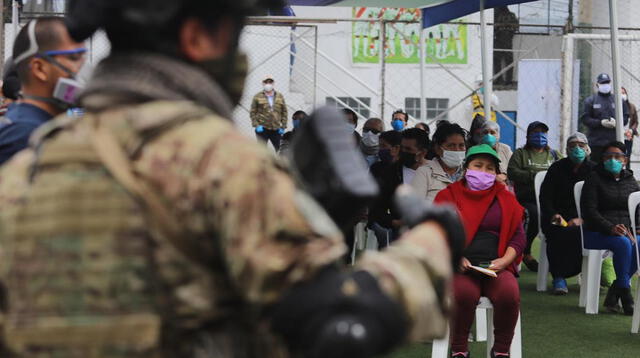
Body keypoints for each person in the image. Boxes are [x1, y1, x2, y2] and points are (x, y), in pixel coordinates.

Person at [0, 1, 459, 356]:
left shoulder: (29, 168)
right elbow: (342, 328)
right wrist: (430, 247)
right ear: (198, 37)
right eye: (233, 32)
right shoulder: (218, 162)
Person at [435, 144, 525, 358]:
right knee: (463, 294)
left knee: (509, 294)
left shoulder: (506, 198)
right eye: (478, 166)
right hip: (461, 267)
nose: (483, 172)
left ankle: (501, 351)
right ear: (466, 168)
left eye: (490, 168)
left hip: (496, 267)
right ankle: (459, 349)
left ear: (496, 173)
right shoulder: (448, 196)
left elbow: (518, 236)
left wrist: (505, 261)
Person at [0, 17, 86, 166]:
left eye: (82, 58)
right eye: (73, 58)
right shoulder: (25, 135)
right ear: (39, 68)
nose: (81, 67)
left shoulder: (38, 124)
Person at [581, 141, 639, 315]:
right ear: (602, 159)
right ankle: (626, 295)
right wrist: (611, 228)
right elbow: (589, 211)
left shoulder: (631, 180)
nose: (613, 160)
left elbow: (637, 208)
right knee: (623, 243)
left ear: (625, 160)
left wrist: (637, 228)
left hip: (625, 231)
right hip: (596, 232)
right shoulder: (594, 178)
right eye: (608, 156)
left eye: (617, 156)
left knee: (638, 242)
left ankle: (615, 292)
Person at [540, 133, 596, 294]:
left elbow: (599, 201)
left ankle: (581, 272)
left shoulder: (594, 170)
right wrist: (553, 215)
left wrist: (583, 219)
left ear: (587, 148)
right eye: (573, 146)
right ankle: (559, 277)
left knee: (580, 233)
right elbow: (545, 197)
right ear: (566, 149)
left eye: (581, 145)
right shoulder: (557, 168)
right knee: (556, 232)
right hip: (558, 216)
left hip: (585, 218)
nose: (577, 149)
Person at [507, 121, 561, 272]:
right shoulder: (520, 154)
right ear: (528, 136)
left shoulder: (554, 155)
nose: (539, 135)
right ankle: (525, 252)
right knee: (535, 215)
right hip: (527, 199)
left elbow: (564, 168)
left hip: (551, 199)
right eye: (535, 132)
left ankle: (557, 259)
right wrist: (534, 175)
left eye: (542, 132)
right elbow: (512, 172)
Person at [369, 128, 429, 244]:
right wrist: (395, 222)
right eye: (402, 148)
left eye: (408, 149)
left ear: (422, 152)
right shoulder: (390, 173)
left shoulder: (434, 171)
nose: (403, 152)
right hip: (402, 235)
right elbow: (377, 208)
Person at [411, 121, 466, 203]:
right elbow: (415, 209)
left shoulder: (468, 173)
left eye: (461, 145)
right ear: (437, 149)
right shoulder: (425, 172)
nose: (457, 150)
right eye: (451, 145)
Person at [581, 73, 629, 163]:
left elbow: (626, 117)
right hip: (596, 142)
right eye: (603, 83)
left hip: (614, 142)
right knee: (595, 167)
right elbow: (585, 119)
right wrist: (600, 123)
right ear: (597, 84)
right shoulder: (590, 100)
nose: (605, 85)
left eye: (607, 82)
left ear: (610, 83)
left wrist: (617, 123)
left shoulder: (618, 100)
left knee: (613, 166)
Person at [250, 74, 288, 151]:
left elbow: (284, 111)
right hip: (262, 129)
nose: (268, 84)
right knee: (261, 151)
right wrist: (256, 125)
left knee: (280, 149)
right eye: (266, 82)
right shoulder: (257, 96)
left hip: (276, 129)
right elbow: (252, 112)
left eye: (270, 82)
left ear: (273, 83)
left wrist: (283, 126)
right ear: (263, 83)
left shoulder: (279, 96)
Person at [493, 6, 518, 86]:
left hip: (504, 39)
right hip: (501, 39)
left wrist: (503, 26)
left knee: (505, 61)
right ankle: (505, 80)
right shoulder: (510, 15)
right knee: (502, 61)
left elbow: (516, 26)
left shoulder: (509, 15)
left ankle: (504, 80)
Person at [622, 86, 638, 157]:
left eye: (623, 93)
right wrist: (623, 132)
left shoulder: (632, 106)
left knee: (627, 155)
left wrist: (631, 131)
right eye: (620, 93)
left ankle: (627, 168)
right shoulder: (613, 106)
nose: (622, 95)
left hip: (629, 135)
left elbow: (635, 121)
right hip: (618, 134)